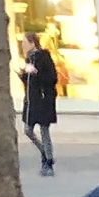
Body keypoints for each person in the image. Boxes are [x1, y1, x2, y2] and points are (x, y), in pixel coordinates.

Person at [20, 32, 58, 174]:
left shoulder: (43, 57)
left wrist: (36, 72)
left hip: (42, 100)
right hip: (30, 100)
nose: (23, 45)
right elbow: (29, 81)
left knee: (44, 130)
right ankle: (46, 153)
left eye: (25, 42)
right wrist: (24, 75)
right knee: (28, 130)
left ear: (32, 42)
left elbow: (52, 77)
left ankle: (48, 162)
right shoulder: (29, 58)